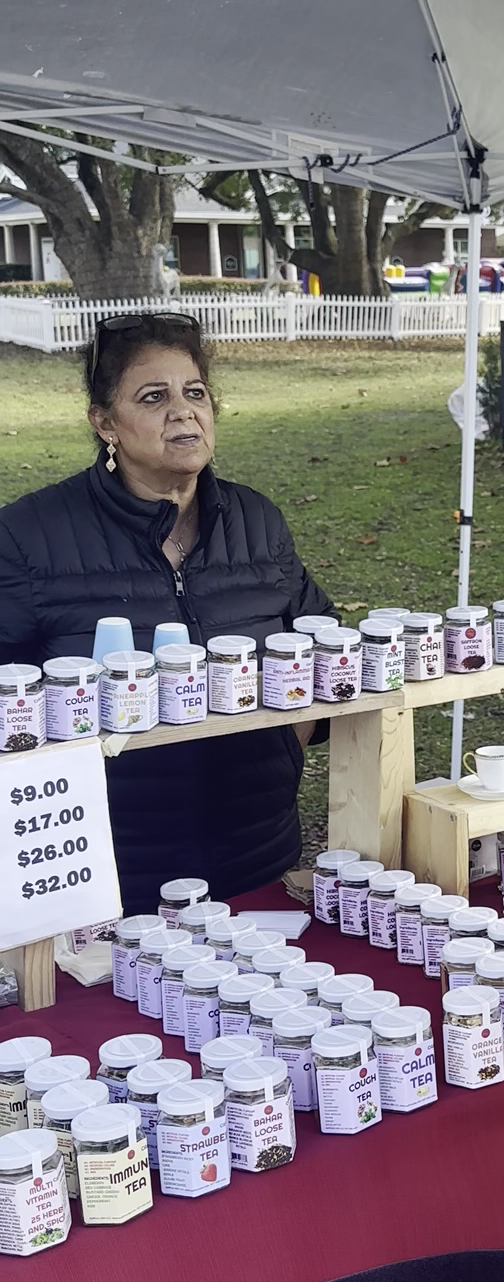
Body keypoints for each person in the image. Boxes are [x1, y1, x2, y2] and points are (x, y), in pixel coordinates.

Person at [0, 312, 336, 911]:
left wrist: (284, 738)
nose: (183, 412)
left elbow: (322, 648)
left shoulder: (256, 521)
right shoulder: (31, 535)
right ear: (106, 423)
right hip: (110, 873)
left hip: (258, 855)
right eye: (154, 397)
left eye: (196, 393)